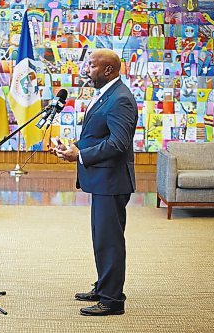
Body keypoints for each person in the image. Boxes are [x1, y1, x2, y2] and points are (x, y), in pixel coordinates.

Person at [51, 49, 138, 316]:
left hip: (111, 181)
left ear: (108, 70)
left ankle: (112, 300)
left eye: (91, 66)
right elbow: (97, 134)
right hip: (101, 179)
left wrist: (82, 155)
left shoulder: (121, 98)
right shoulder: (106, 94)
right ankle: (104, 286)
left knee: (109, 240)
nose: (86, 70)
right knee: (101, 237)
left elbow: (118, 143)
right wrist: (73, 147)